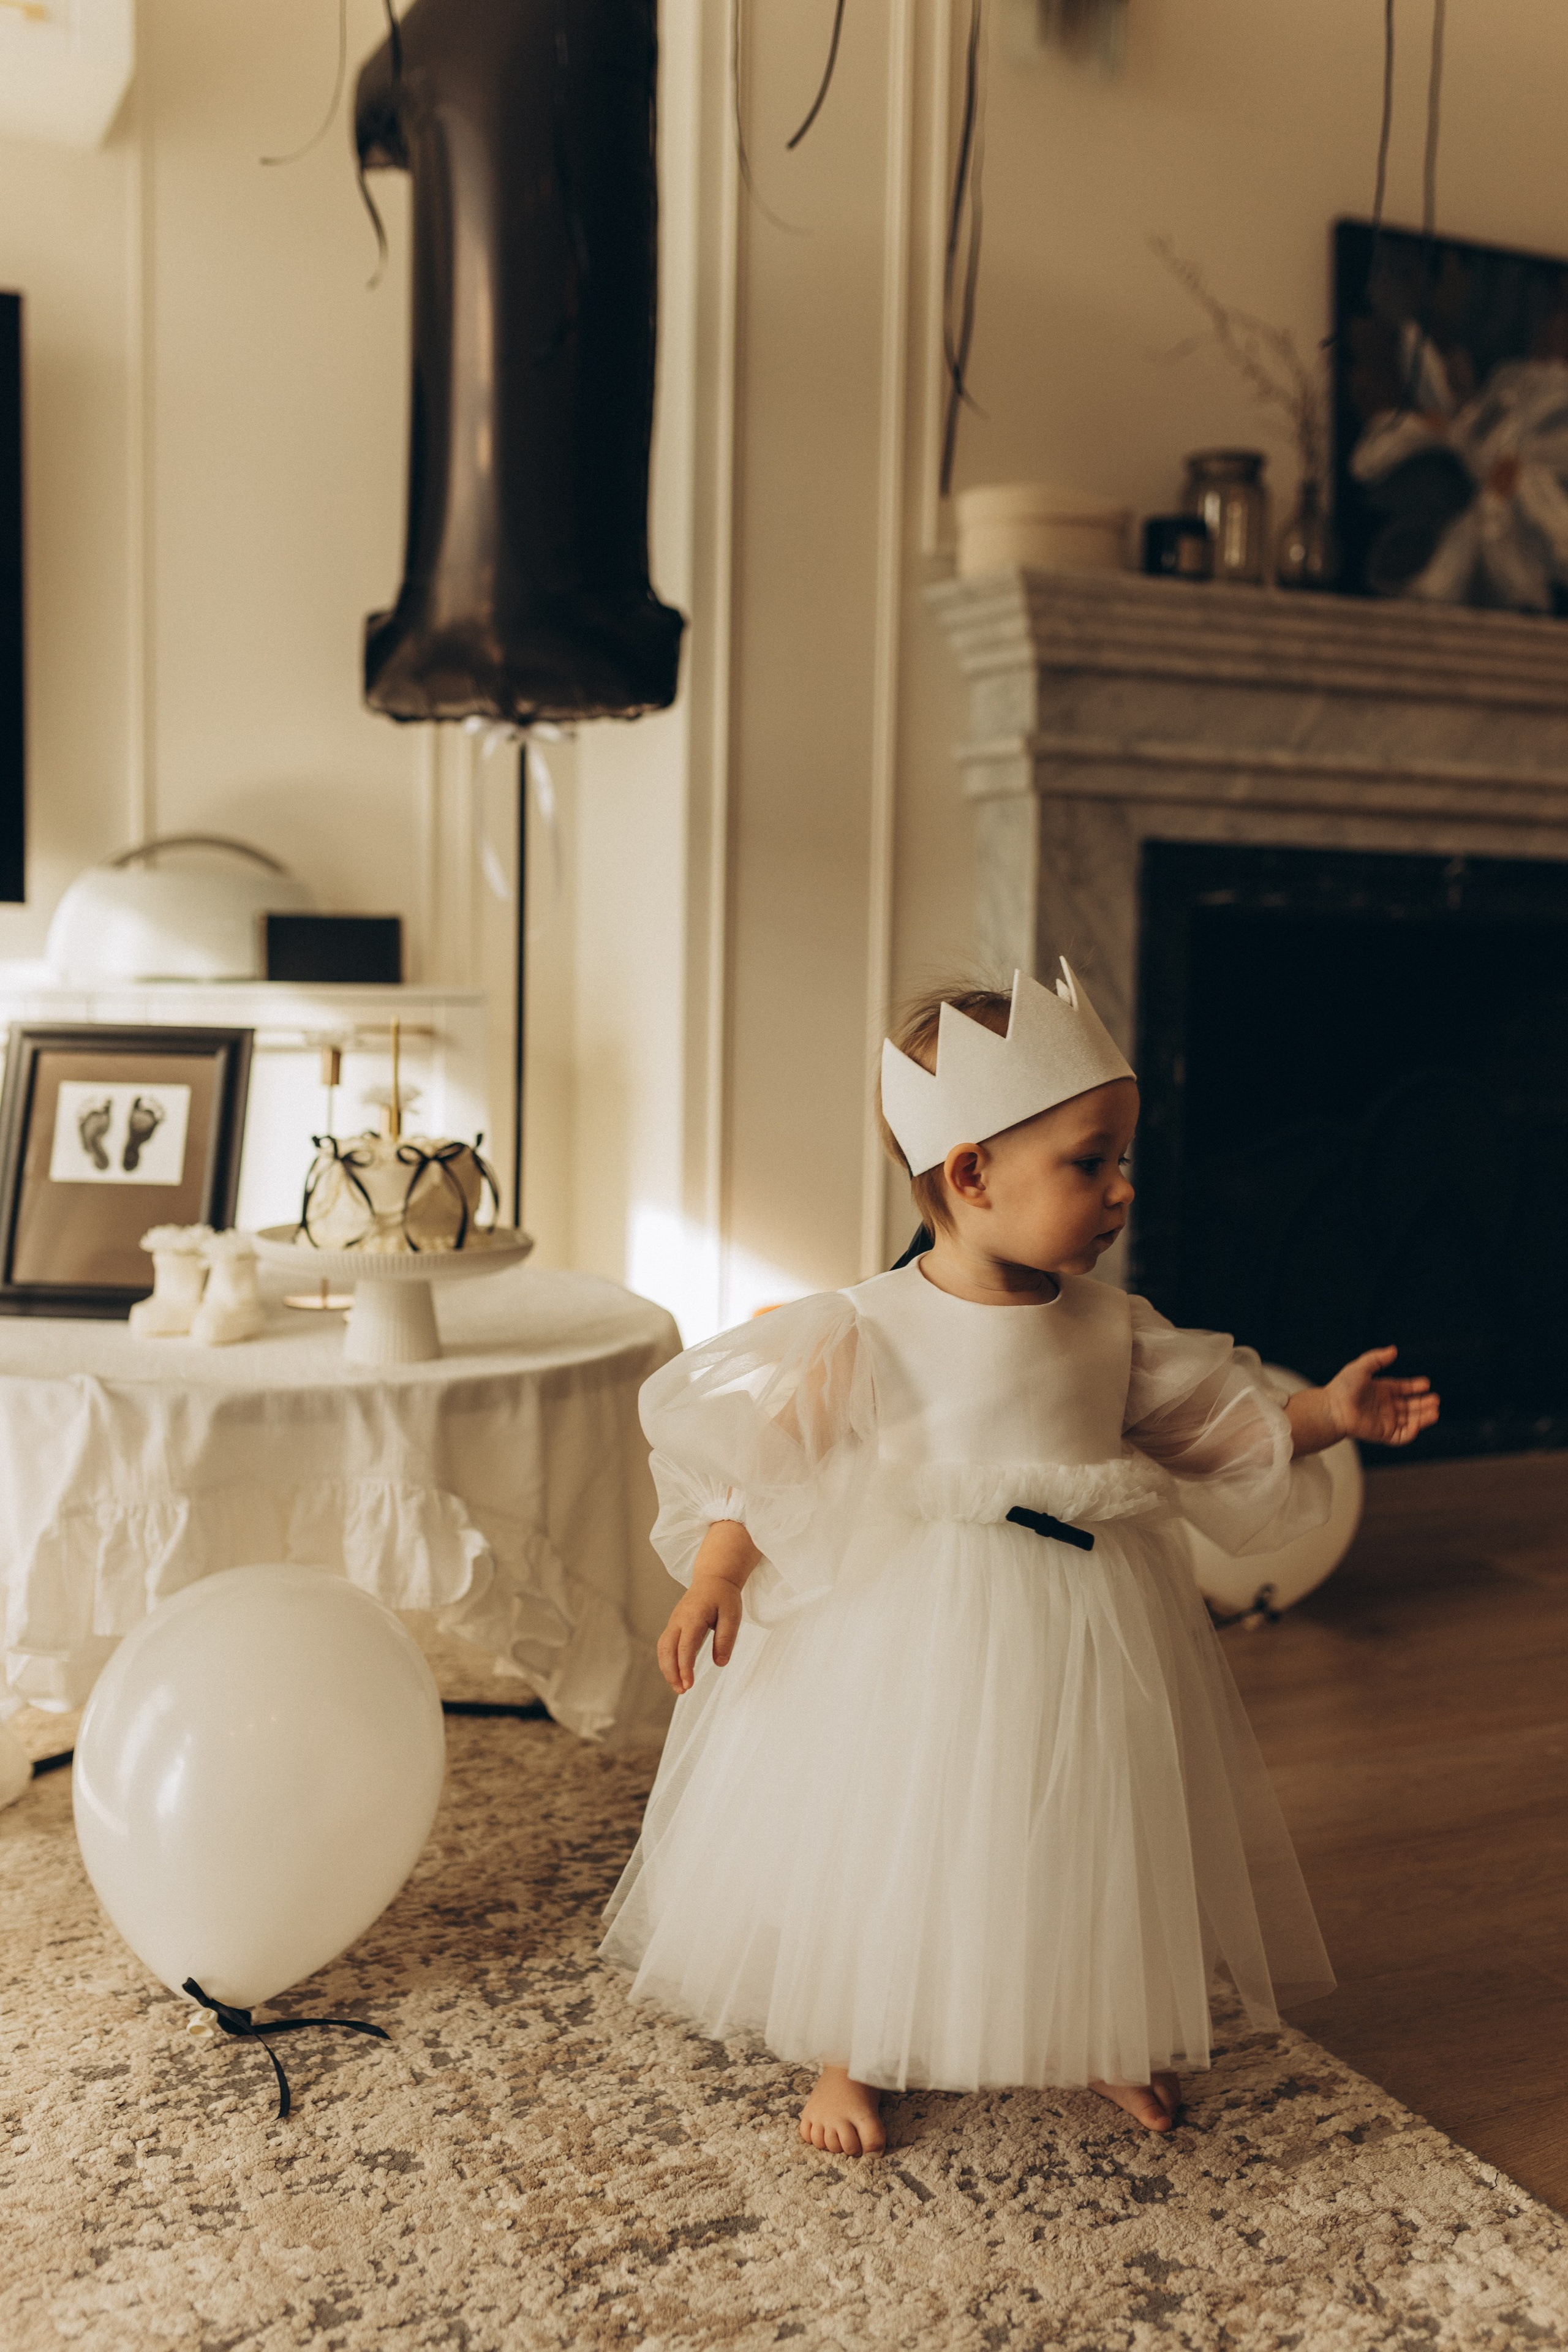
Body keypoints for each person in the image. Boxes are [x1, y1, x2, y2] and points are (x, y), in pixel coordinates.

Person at [599, 965, 1439, 2157]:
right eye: (1088, 1163)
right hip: (909, 1627)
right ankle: (854, 2047)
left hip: (1090, 1621)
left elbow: (1214, 1430)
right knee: (896, 1828)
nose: (1121, 1190)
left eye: (1119, 1160)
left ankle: (1087, 2019)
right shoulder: (867, 1323)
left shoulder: (1112, 1327)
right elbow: (772, 1459)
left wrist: (1327, 1418)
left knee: (1082, 1817)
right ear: (970, 1174)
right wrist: (720, 1571)